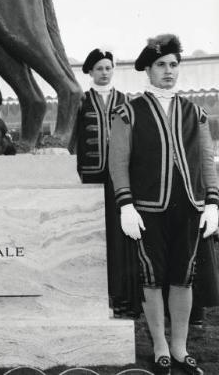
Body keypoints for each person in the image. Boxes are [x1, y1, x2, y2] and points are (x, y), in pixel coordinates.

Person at [109, 34, 218, 375]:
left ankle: (180, 345)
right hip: (147, 210)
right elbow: (118, 162)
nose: (168, 71)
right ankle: (159, 347)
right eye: (161, 65)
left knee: (183, 278)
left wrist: (213, 202)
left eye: (173, 65)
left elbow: (207, 159)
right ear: (148, 70)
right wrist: (126, 204)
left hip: (189, 208)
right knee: (152, 279)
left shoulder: (195, 112)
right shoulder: (128, 112)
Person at [73, 48, 140, 317]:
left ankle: (122, 296)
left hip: (118, 179)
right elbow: (72, 139)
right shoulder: (79, 100)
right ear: (90, 72)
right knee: (90, 236)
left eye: (108, 68)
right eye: (99, 68)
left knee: (119, 238)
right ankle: (90, 293)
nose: (104, 73)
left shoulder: (126, 101)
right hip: (88, 178)